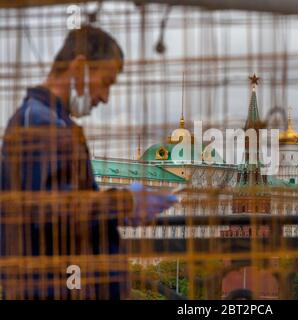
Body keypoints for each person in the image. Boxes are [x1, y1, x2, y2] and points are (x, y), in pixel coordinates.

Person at [0, 25, 176, 299]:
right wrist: (124, 203)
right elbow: (53, 213)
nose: (105, 97)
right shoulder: (41, 123)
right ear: (80, 66)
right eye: (106, 82)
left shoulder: (49, 121)